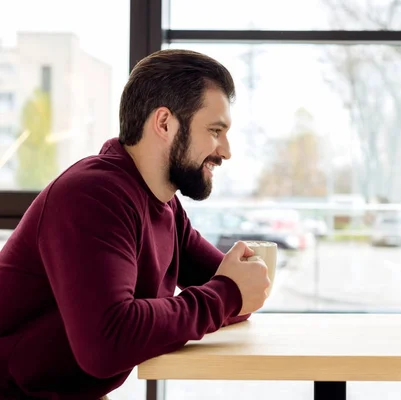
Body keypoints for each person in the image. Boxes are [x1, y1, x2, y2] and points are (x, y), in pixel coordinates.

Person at [0, 49, 270, 399]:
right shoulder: (92, 196)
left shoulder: (163, 204)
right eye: (215, 130)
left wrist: (231, 292)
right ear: (164, 123)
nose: (227, 150)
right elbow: (108, 343)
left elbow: (231, 291)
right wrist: (225, 294)